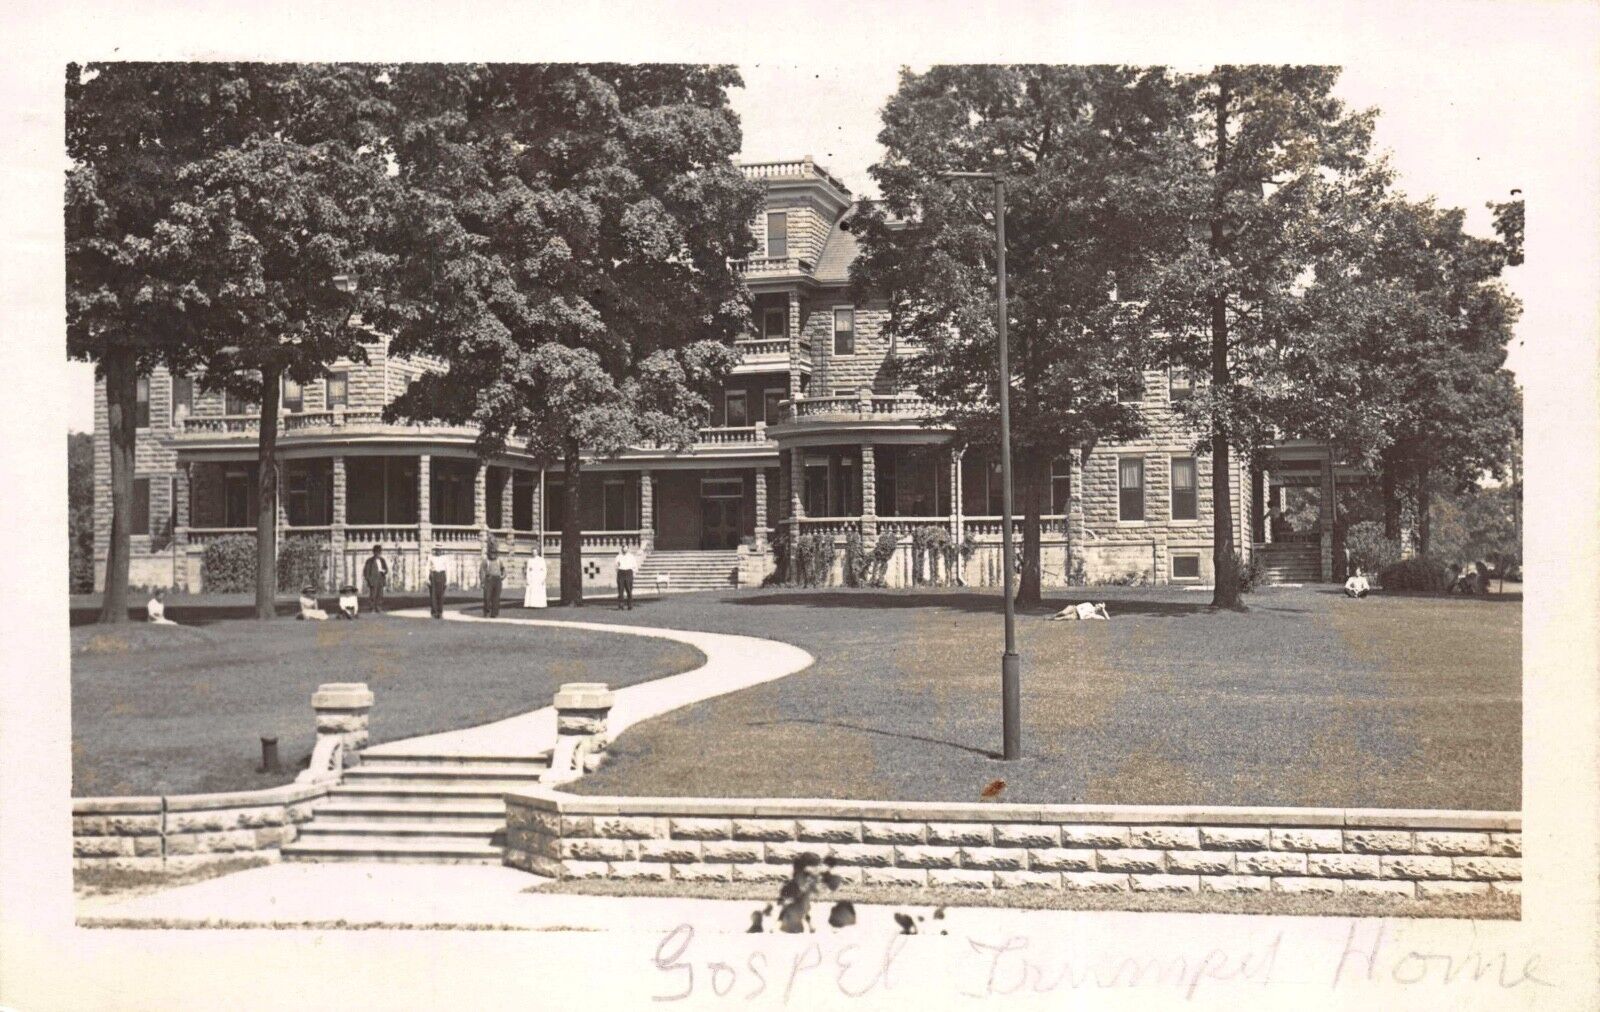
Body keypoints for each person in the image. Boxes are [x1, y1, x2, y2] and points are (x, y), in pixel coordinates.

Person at [480, 542, 505, 618]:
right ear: (489, 553)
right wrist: (482, 582)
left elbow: (503, 569)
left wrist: (502, 576)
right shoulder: (486, 561)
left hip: (497, 580)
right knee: (487, 597)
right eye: (491, 553)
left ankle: (494, 613)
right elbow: (482, 571)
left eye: (494, 553)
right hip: (489, 579)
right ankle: (486, 611)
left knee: (496, 598)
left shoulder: (499, 561)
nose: (493, 554)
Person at [362, 544, 389, 614]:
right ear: (374, 552)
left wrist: (384, 571)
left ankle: (379, 608)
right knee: (373, 595)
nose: (378, 554)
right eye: (376, 552)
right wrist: (369, 580)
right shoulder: (369, 561)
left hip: (380, 579)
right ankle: (372, 609)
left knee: (380, 595)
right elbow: (366, 571)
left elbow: (386, 569)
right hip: (373, 580)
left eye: (379, 552)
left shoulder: (382, 560)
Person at [427, 544, 449, 619]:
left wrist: (448, 580)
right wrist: (427, 579)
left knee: (441, 595)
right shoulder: (431, 557)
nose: (438, 551)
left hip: (442, 575)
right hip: (434, 575)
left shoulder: (444, 558)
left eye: (439, 550)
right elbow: (427, 568)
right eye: (437, 550)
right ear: (435, 550)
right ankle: (434, 612)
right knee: (433, 595)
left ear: (441, 550)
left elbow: (448, 569)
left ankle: (440, 612)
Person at [614, 545, 638, 610]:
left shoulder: (631, 557)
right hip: (621, 573)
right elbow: (616, 566)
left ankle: (630, 605)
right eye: (623, 548)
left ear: (628, 549)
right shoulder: (618, 557)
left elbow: (635, 566)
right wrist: (619, 572)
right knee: (620, 590)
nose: (624, 550)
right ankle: (621, 605)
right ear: (621, 549)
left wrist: (633, 574)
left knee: (629, 590)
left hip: (629, 573)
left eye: (626, 548)